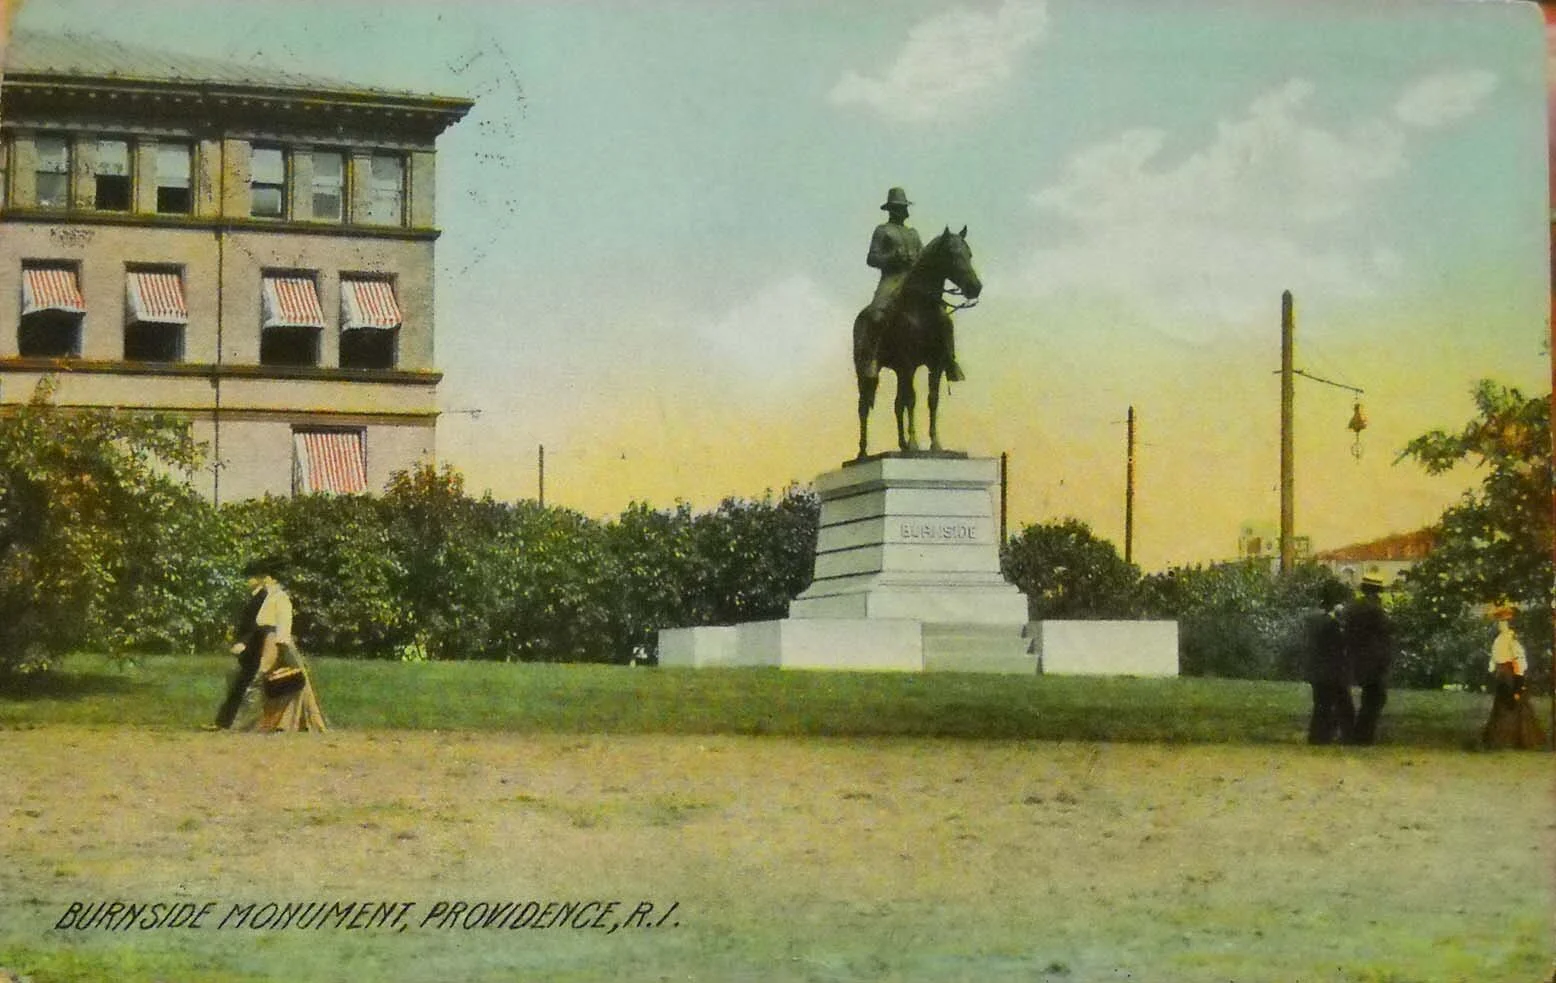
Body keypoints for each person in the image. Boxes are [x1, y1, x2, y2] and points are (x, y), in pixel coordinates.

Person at [862, 187, 963, 383]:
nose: (904, 211)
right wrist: (893, 257)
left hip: (913, 281)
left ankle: (950, 361)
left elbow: (922, 259)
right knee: (876, 313)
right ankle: (872, 358)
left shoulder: (913, 234)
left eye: (904, 207)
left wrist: (916, 260)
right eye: (900, 207)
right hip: (891, 280)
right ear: (891, 209)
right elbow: (872, 258)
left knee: (943, 316)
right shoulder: (883, 231)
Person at [212, 557, 278, 729]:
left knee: (244, 685)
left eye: (251, 577)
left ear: (261, 579)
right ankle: (227, 721)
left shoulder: (264, 598)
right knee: (240, 684)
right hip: (251, 646)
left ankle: (230, 722)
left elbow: (257, 625)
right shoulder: (256, 597)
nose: (247, 581)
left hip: (255, 646)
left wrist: (243, 642)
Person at [1340, 571, 1394, 745]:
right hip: (1375, 660)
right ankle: (1363, 736)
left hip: (1357, 658)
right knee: (1376, 698)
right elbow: (1385, 633)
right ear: (1377, 591)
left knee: (1369, 698)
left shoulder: (1353, 607)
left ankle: (1359, 734)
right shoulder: (1375, 610)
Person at [1481, 605, 1544, 750]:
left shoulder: (1512, 639)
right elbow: (1494, 659)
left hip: (1511, 675)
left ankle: (1522, 740)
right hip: (1502, 675)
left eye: (1504, 621)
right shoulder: (1498, 640)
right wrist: (1492, 672)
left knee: (1516, 706)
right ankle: (1499, 740)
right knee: (1501, 706)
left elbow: (1518, 660)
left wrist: (1518, 683)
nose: (1501, 624)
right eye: (1500, 622)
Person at [1302, 591, 1354, 745]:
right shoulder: (1331, 624)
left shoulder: (1313, 619)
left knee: (1321, 704)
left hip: (1317, 669)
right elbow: (1339, 644)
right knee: (1342, 704)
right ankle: (1340, 735)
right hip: (1331, 671)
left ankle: (1319, 735)